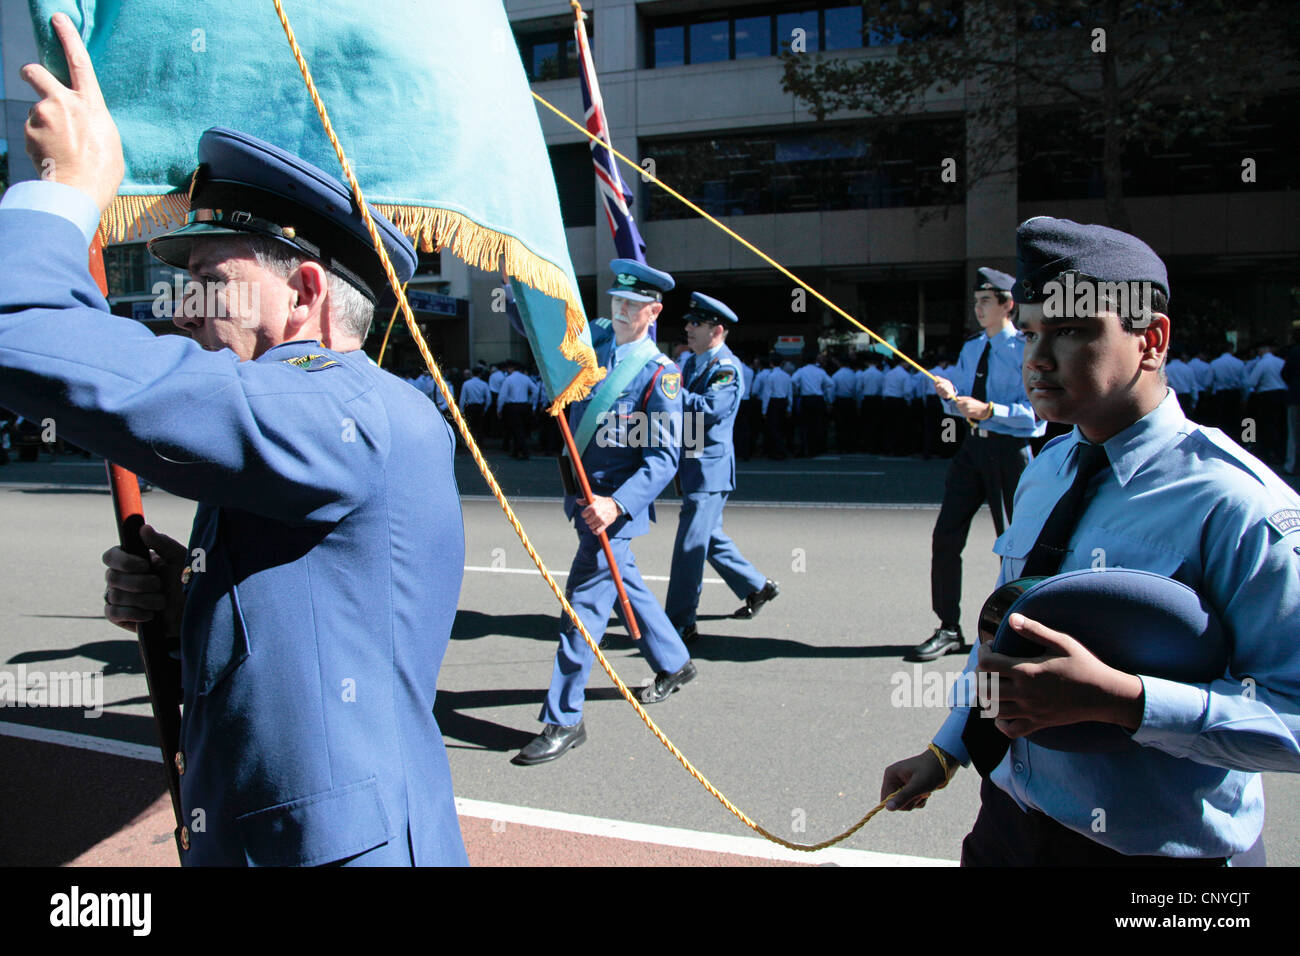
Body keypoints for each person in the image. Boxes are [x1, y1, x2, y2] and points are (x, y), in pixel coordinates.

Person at [1, 16, 466, 865]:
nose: (180, 310)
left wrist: (65, 191)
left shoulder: (338, 409)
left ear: (307, 293)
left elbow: (24, 331)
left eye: (211, 283)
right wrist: (189, 606)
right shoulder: (322, 417)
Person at [883, 216, 1300, 865]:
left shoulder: (1237, 504)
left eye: (1073, 331)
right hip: (1012, 822)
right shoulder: (1046, 469)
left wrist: (1127, 702)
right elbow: (1006, 634)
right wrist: (949, 749)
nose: (1037, 359)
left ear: (1151, 340)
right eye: (1030, 333)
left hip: (1155, 857)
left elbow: (1294, 716)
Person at [513, 258, 695, 766]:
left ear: (653, 311)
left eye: (632, 305)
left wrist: (617, 504)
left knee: (582, 610)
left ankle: (563, 718)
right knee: (626, 585)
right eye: (616, 300)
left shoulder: (661, 375)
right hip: (583, 497)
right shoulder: (594, 340)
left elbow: (664, 459)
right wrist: (515, 285)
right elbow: (539, 327)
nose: (619, 310)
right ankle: (675, 661)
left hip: (612, 508)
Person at [910, 267, 1045, 662]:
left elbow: (1036, 417)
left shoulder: (1025, 348)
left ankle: (1019, 628)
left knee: (1014, 546)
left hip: (1010, 450)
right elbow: (961, 406)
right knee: (946, 536)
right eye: (976, 302)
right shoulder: (971, 349)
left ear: (1008, 305)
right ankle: (948, 626)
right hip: (972, 449)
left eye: (986, 301)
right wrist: (949, 395)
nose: (978, 308)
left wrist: (988, 409)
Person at [664, 293, 779, 644]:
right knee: (709, 537)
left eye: (695, 324)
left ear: (717, 329)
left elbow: (709, 410)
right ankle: (756, 587)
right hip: (693, 461)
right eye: (688, 322)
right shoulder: (689, 363)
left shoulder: (727, 368)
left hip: (709, 468)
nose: (687, 328)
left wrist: (668, 391)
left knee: (690, 546)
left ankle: (680, 621)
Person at [1244, 341, 1287, 466]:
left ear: (1261, 350)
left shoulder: (1261, 364)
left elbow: (1251, 382)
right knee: (1281, 425)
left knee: (1268, 425)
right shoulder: (1281, 362)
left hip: (1266, 396)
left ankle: (1270, 452)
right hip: (1282, 394)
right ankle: (1281, 453)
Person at [497, 358, 538, 459]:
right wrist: (532, 403)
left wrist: (499, 409)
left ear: (511, 368)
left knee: (516, 429)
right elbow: (536, 390)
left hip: (512, 407)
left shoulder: (508, 379)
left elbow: (502, 396)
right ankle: (516, 451)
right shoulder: (525, 378)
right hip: (524, 406)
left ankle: (524, 451)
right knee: (520, 428)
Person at [757, 352, 792, 460]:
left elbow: (766, 394)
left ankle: (777, 450)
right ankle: (781, 449)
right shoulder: (786, 376)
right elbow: (789, 393)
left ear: (771, 363)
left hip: (773, 403)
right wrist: (789, 407)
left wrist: (764, 410)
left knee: (773, 427)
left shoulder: (770, 376)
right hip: (783, 402)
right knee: (781, 427)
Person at [458, 367, 491, 450]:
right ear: (480, 374)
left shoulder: (466, 384)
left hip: (470, 407)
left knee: (471, 426)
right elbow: (488, 398)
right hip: (480, 407)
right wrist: (485, 408)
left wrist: (461, 410)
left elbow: (463, 398)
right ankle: (480, 444)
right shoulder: (484, 384)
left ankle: (471, 444)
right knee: (480, 426)